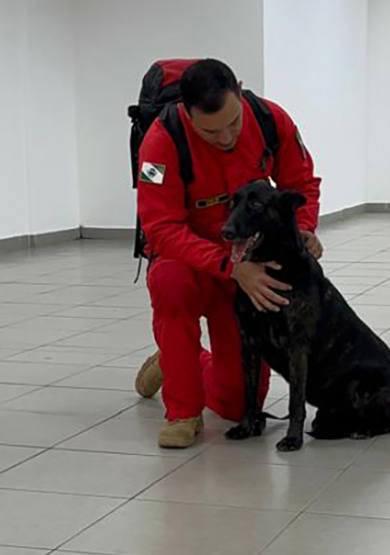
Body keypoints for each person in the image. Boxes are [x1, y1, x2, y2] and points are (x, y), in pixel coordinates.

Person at [134, 59, 323, 448]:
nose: (226, 138)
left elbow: (301, 180)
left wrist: (304, 228)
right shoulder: (159, 142)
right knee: (170, 284)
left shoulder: (272, 120)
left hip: (244, 263)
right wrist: (229, 266)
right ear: (186, 113)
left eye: (233, 124)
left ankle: (172, 363)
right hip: (188, 260)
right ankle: (183, 412)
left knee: (239, 407)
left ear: (239, 90)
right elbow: (161, 228)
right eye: (211, 131)